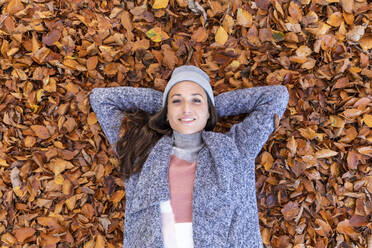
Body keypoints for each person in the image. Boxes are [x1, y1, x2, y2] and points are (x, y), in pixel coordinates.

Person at [89, 65, 289, 248]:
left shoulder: (235, 148)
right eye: (177, 101)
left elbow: (276, 97)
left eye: (196, 100)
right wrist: (166, 106)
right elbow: (102, 99)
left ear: (209, 111)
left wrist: (212, 107)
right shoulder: (140, 149)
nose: (186, 108)